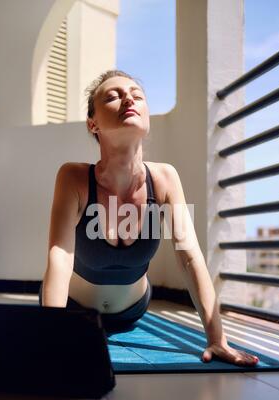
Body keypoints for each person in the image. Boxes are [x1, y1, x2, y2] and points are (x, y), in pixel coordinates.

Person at [39, 69, 259, 366]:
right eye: (113, 96)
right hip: (73, 309)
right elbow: (60, 257)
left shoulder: (166, 178)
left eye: (136, 95)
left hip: (132, 311)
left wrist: (217, 339)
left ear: (147, 117)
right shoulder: (73, 177)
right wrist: (51, 334)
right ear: (93, 124)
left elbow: (190, 258)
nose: (128, 98)